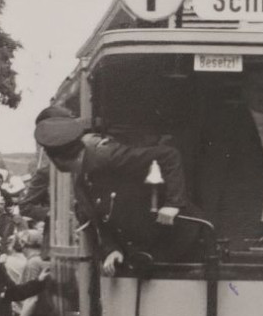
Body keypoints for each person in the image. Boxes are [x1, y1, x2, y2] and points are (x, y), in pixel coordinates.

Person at [35, 105, 203, 274]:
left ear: (60, 162)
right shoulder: (81, 181)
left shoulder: (109, 157)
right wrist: (112, 250)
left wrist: (173, 204)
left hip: (182, 240)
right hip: (146, 253)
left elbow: (168, 155)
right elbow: (99, 222)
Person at [195, 66, 263, 245]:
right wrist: (210, 224)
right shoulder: (228, 124)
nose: (262, 93)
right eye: (256, 86)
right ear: (245, 90)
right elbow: (213, 177)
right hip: (239, 221)